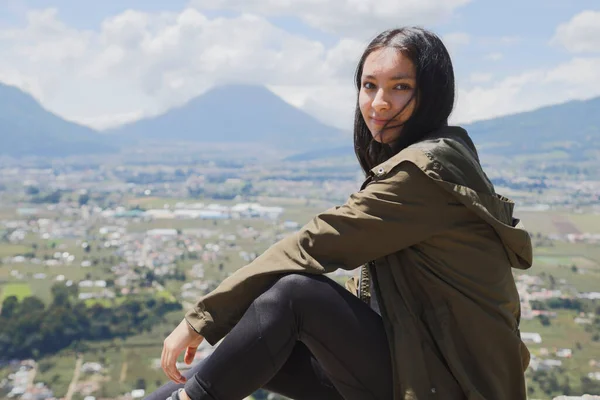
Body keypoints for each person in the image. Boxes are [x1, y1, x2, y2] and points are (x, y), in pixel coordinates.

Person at [146, 26, 532, 400]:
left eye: (401, 87)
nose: (379, 102)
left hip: (447, 386)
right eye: (369, 86)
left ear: (431, 93)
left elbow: (313, 245)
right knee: (231, 359)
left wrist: (200, 319)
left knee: (296, 296)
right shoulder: (439, 154)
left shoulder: (423, 172)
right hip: (416, 363)